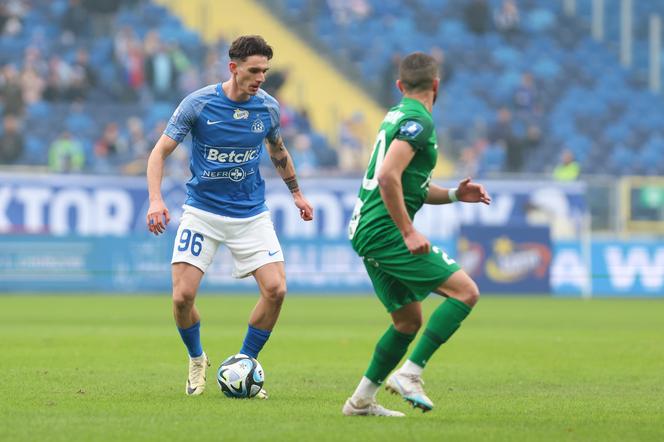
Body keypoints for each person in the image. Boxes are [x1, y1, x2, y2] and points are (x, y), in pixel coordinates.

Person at [146, 35, 314, 399]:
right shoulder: (199, 103)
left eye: (265, 71)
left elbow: (279, 151)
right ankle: (196, 359)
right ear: (233, 68)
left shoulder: (267, 108)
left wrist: (296, 193)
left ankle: (245, 362)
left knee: (276, 289)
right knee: (182, 298)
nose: (260, 78)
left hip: (250, 214)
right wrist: (156, 200)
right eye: (254, 71)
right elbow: (158, 153)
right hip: (203, 212)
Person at [343, 52, 491, 417]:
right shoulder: (418, 121)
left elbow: (413, 186)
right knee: (465, 291)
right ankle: (410, 373)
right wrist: (408, 231)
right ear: (436, 85)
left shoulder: (397, 115)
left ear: (400, 85)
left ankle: (360, 402)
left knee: (408, 321)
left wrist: (456, 194)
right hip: (385, 231)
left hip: (369, 229)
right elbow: (388, 176)